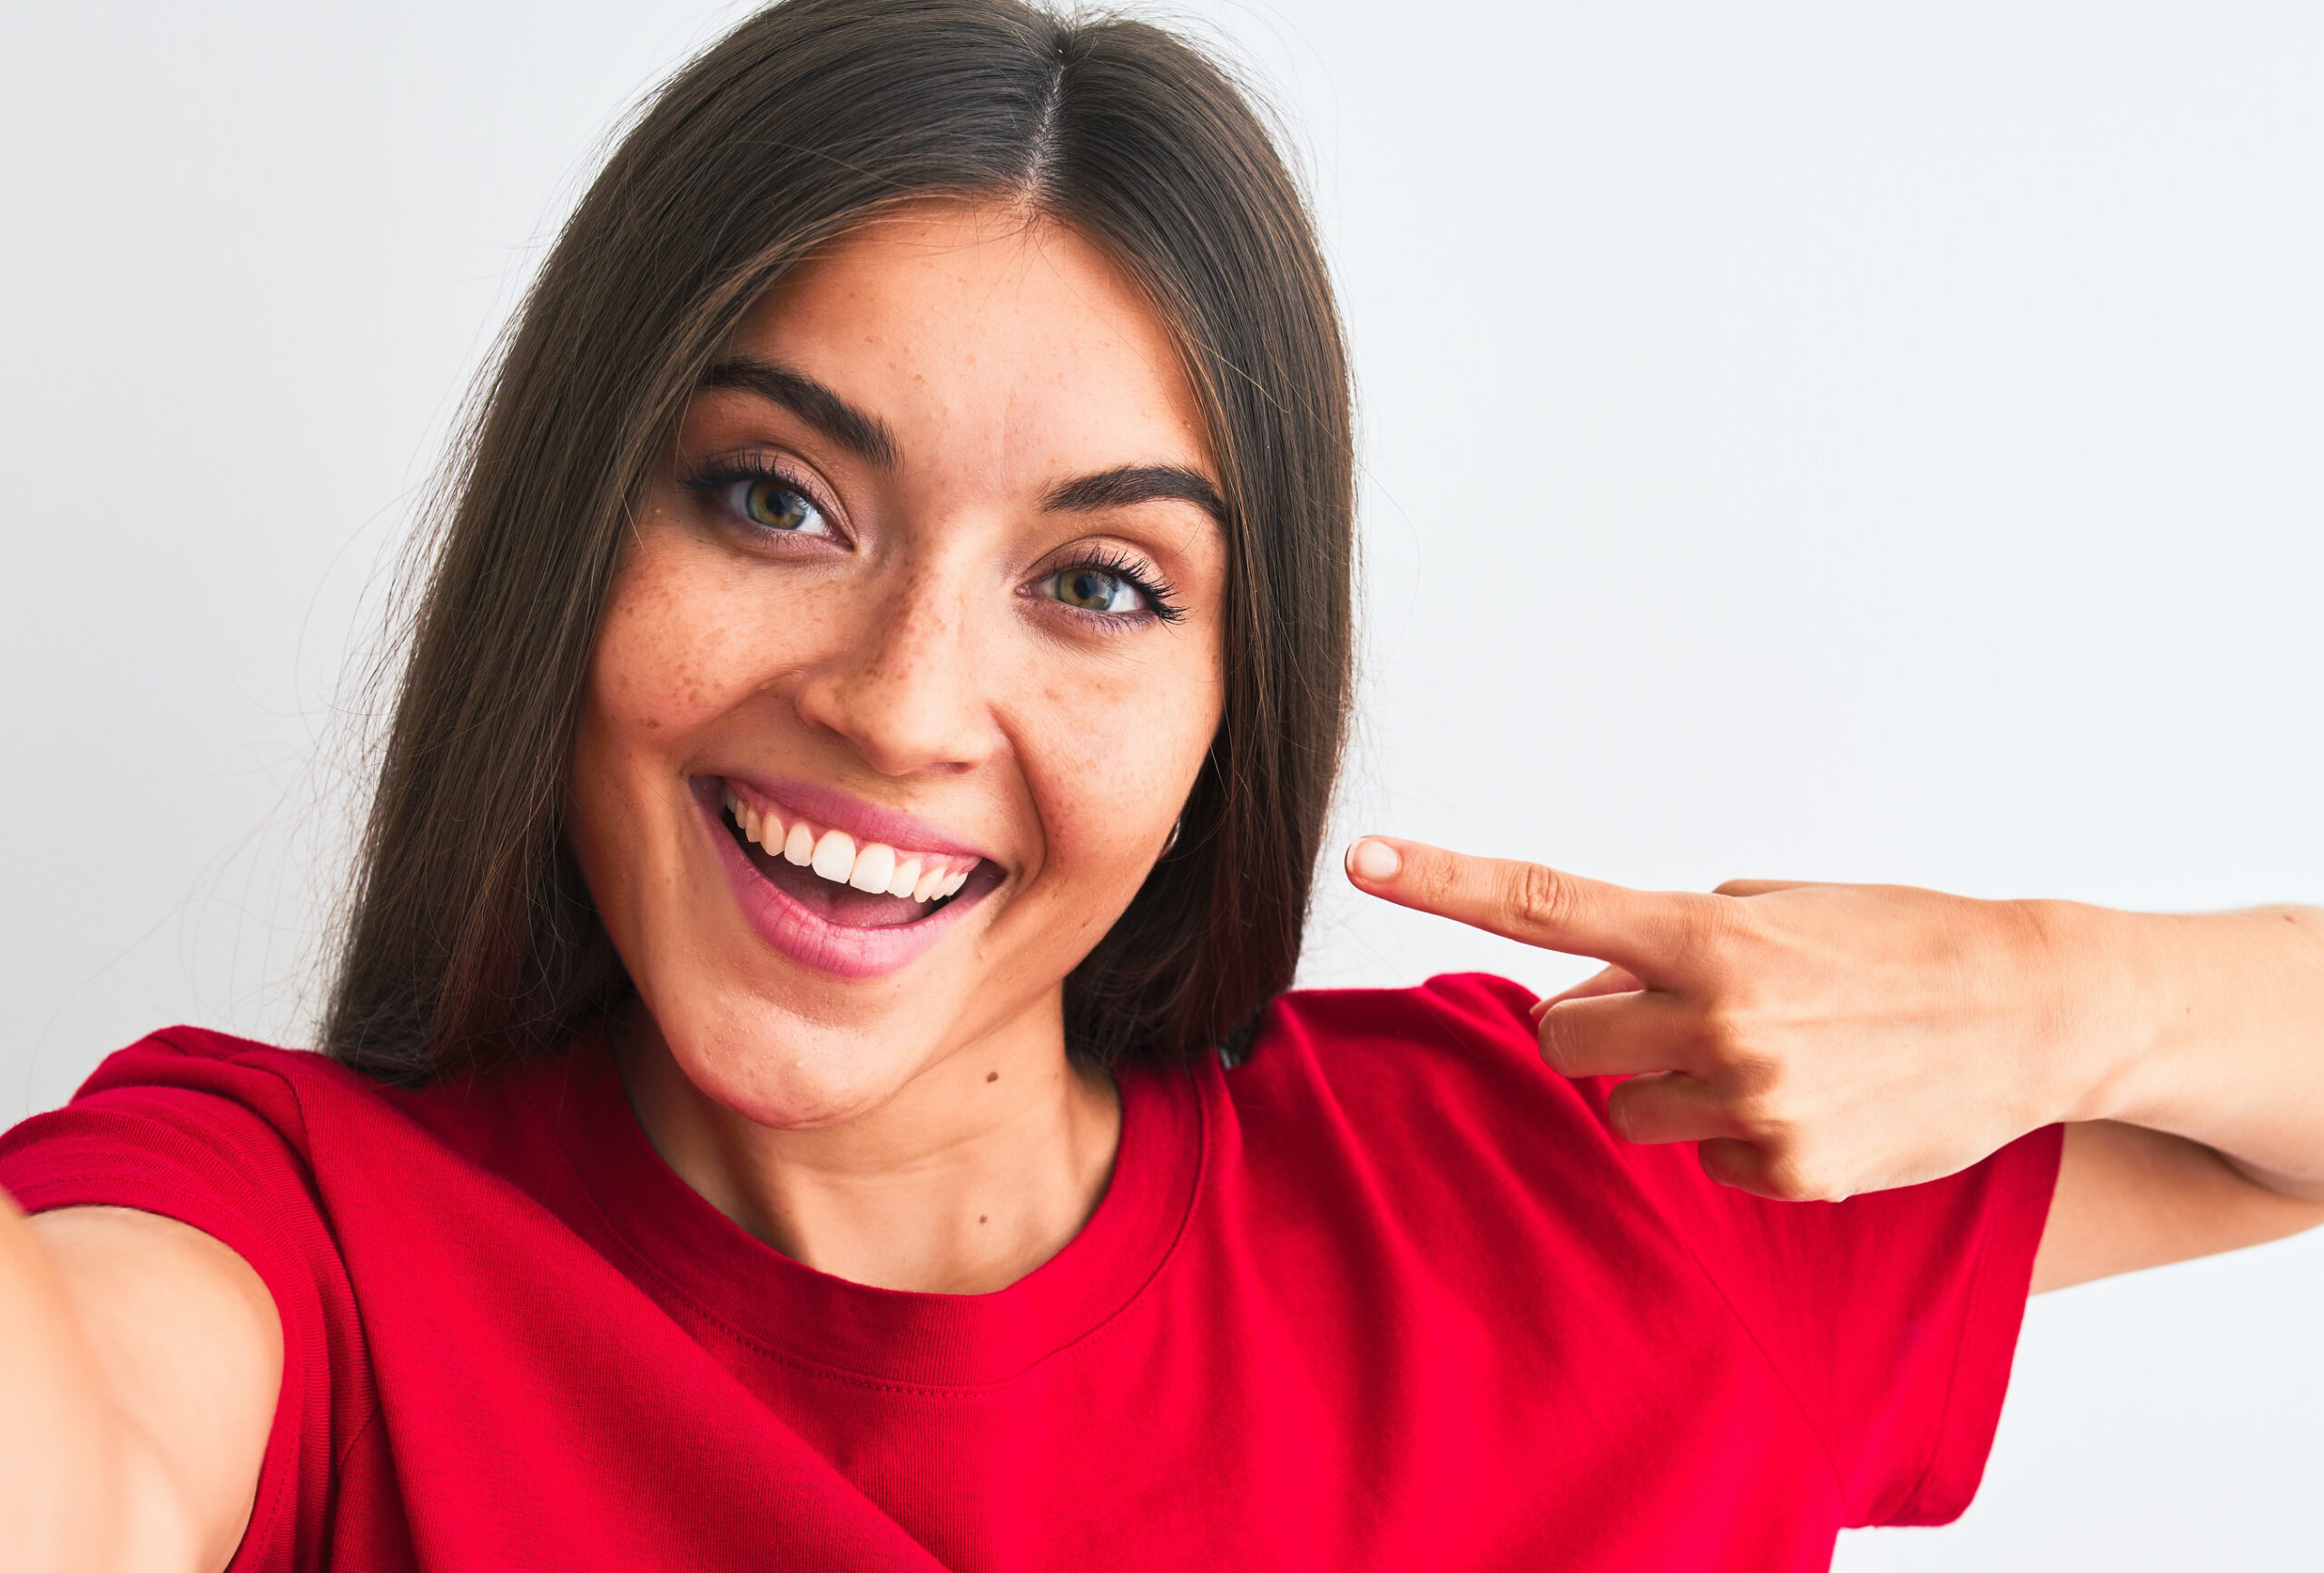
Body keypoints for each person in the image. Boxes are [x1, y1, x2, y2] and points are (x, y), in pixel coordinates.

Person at [3, 1, 2319, 1568]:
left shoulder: (1582, 1184)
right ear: (570, 536)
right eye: (774, 500)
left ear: (1239, 695)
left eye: (1099, 584)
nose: (907, 703)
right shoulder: (281, 1241)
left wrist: (2046, 993)